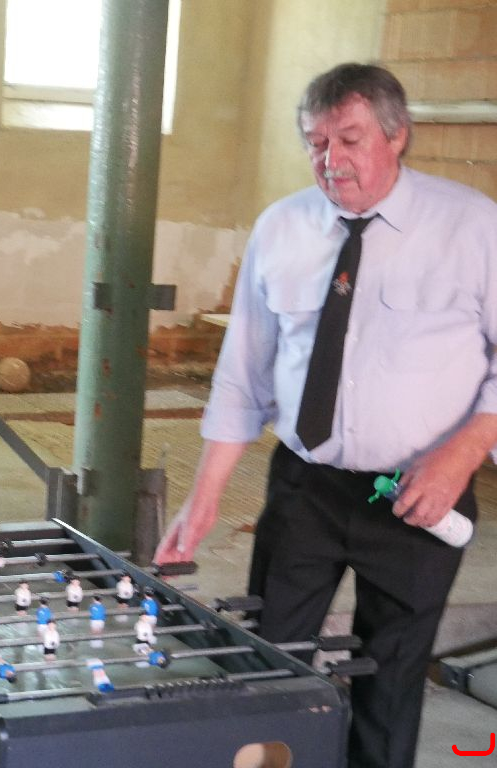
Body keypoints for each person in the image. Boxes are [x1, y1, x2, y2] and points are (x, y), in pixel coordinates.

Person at [154, 62, 497, 768]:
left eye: (349, 139)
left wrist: (463, 453)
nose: (330, 160)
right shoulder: (282, 228)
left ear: (397, 136)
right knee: (267, 664)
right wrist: (204, 497)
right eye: (315, 143)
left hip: (419, 493)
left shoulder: (472, 226)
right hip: (306, 485)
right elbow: (243, 374)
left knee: (389, 684)